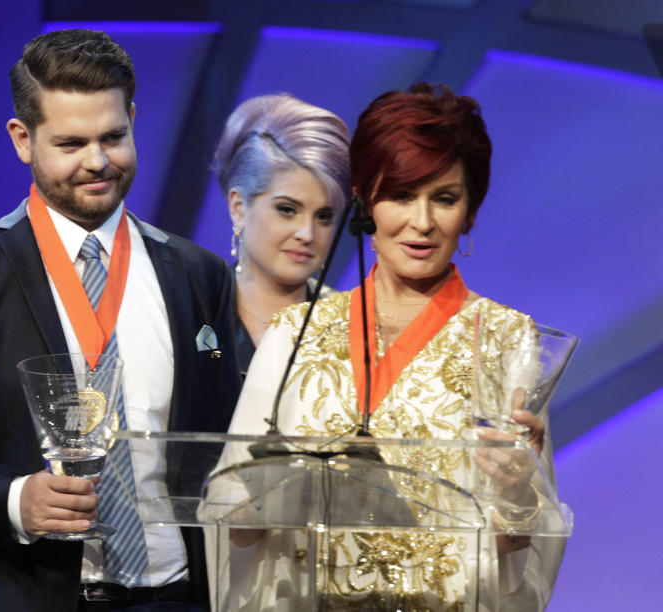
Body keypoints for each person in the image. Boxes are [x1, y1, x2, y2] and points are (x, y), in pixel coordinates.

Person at [0, 29, 241, 611]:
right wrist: (13, 499)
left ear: (133, 119)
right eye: (71, 143)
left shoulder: (198, 274)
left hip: (173, 595)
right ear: (23, 140)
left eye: (114, 137)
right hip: (13, 589)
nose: (97, 162)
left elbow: (223, 441)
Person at [214, 83, 565, 610]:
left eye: (444, 199)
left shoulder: (507, 340)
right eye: (401, 195)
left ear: (469, 213)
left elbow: (518, 554)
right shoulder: (297, 332)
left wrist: (517, 490)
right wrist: (265, 494)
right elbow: (233, 523)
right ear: (364, 201)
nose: (421, 223)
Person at [213, 94, 351, 376]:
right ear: (238, 207)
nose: (307, 234)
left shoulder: (352, 330)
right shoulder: (192, 312)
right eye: (287, 209)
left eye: (324, 217)